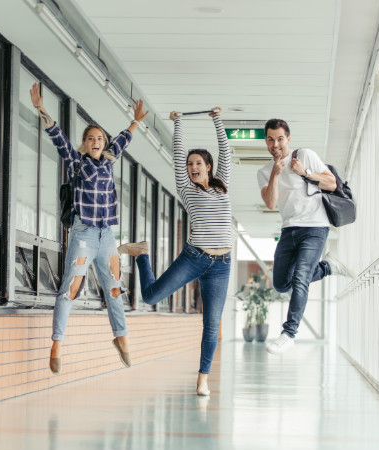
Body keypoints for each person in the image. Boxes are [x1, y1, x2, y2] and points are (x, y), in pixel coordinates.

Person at [30, 82, 150, 374]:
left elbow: (123, 139)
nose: (96, 141)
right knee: (70, 289)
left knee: (114, 291)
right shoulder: (76, 162)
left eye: (100, 138)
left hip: (107, 236)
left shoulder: (109, 161)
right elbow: (57, 137)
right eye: (91, 138)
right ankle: (56, 344)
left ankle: (121, 340)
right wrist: (42, 109)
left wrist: (134, 122)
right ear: (84, 144)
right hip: (83, 235)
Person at [117, 108, 231, 396]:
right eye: (190, 164)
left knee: (212, 323)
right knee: (151, 295)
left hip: (222, 265)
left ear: (209, 166)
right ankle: (142, 255)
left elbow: (225, 151)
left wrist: (217, 120)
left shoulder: (222, 186)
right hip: (195, 258)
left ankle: (202, 379)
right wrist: (178, 123)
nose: (193, 167)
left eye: (198, 163)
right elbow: (177, 155)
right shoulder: (186, 189)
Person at [257, 118, 353, 355]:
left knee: (300, 278)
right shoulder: (264, 172)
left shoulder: (305, 155)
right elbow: (270, 203)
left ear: (288, 139)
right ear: (266, 141)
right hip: (289, 229)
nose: (276, 143)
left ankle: (289, 333)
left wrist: (306, 172)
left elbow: (331, 183)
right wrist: (275, 175)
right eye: (270, 139)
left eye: (280, 138)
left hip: (315, 226)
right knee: (281, 284)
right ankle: (328, 267)